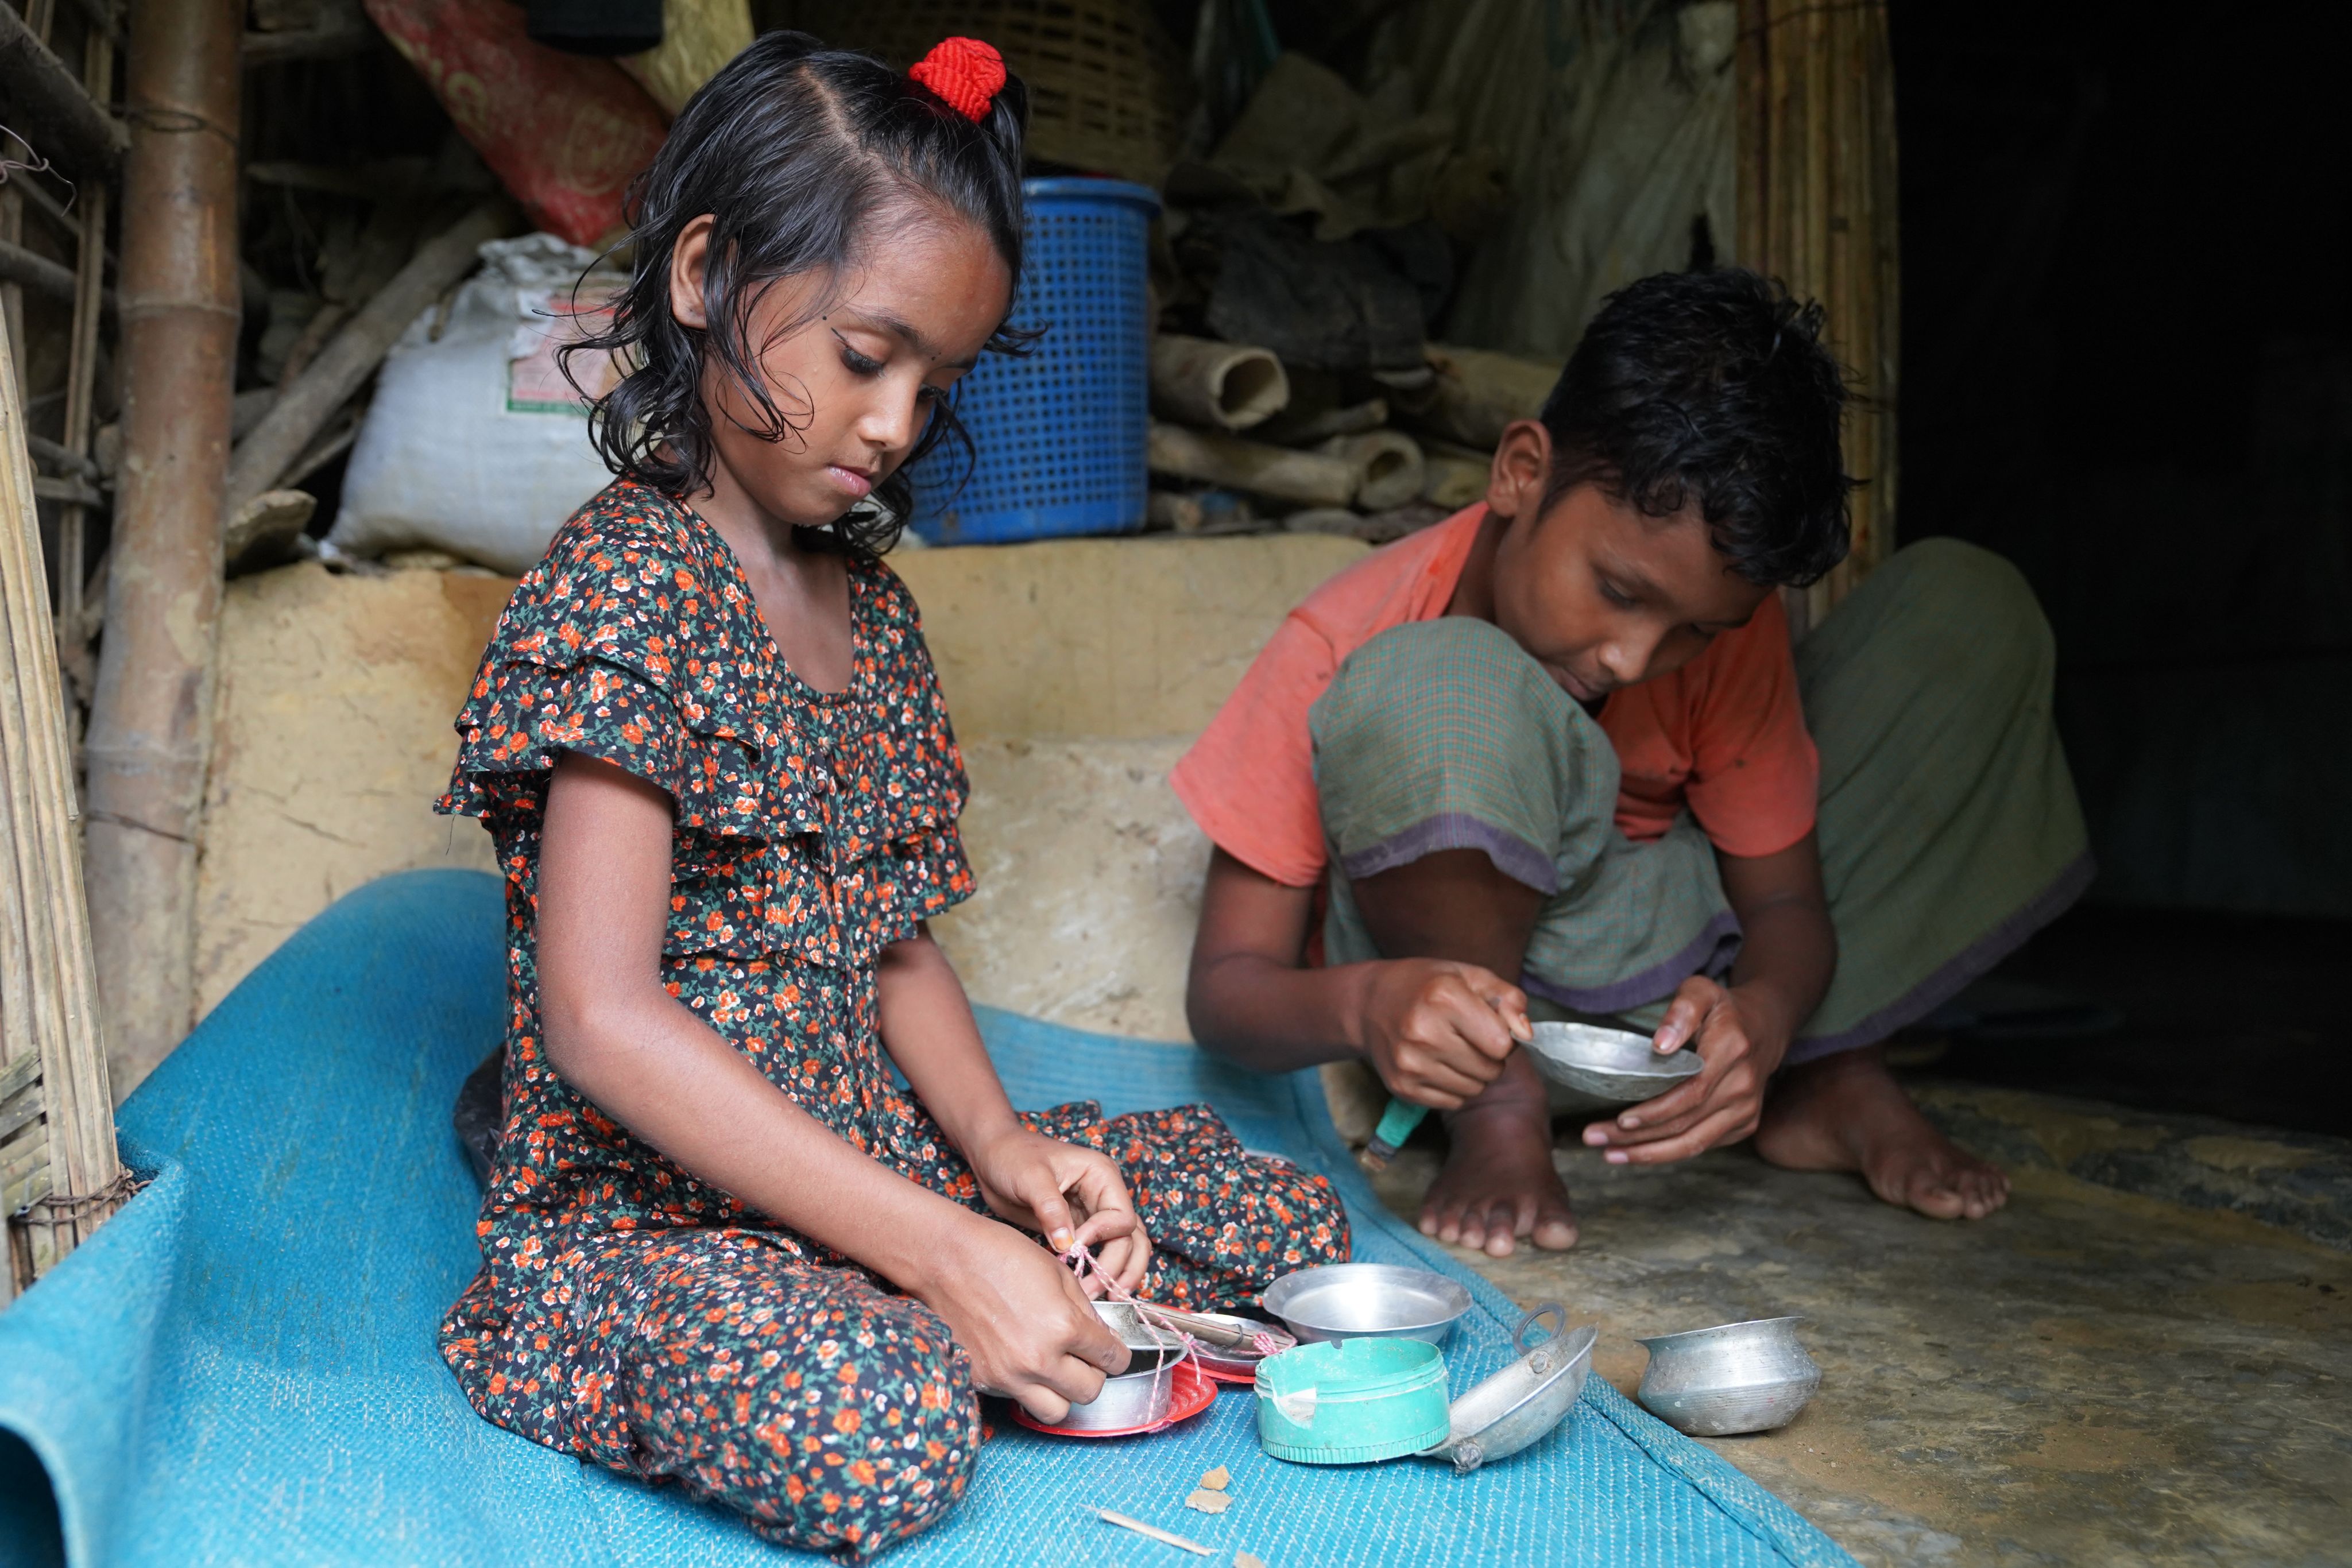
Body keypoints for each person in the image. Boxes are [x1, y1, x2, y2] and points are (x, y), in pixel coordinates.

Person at [434, 34, 1346, 1558]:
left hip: (870, 1148)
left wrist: (999, 1157)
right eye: (868, 357)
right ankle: (919, 1310)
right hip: (659, 1213)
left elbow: (895, 938)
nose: (896, 425)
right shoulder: (628, 587)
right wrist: (943, 1251)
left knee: (1275, 1220)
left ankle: (960, 1283)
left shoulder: (873, 619)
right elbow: (599, 1018)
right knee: (885, 1425)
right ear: (707, 277)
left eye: (937, 383)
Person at [1176, 268, 2089, 1259]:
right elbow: (1227, 991)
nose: (1632, 658)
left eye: (1695, 629)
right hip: (1474, 1028)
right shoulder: (1344, 638)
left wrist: (1766, 1019)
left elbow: (1786, 907)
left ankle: (1815, 1073)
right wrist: (1367, 1004)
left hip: (1669, 1011)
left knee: (1965, 607)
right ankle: (1501, 1114)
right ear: (1521, 470)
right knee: (1434, 679)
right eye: (1615, 590)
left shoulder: (1719, 627)